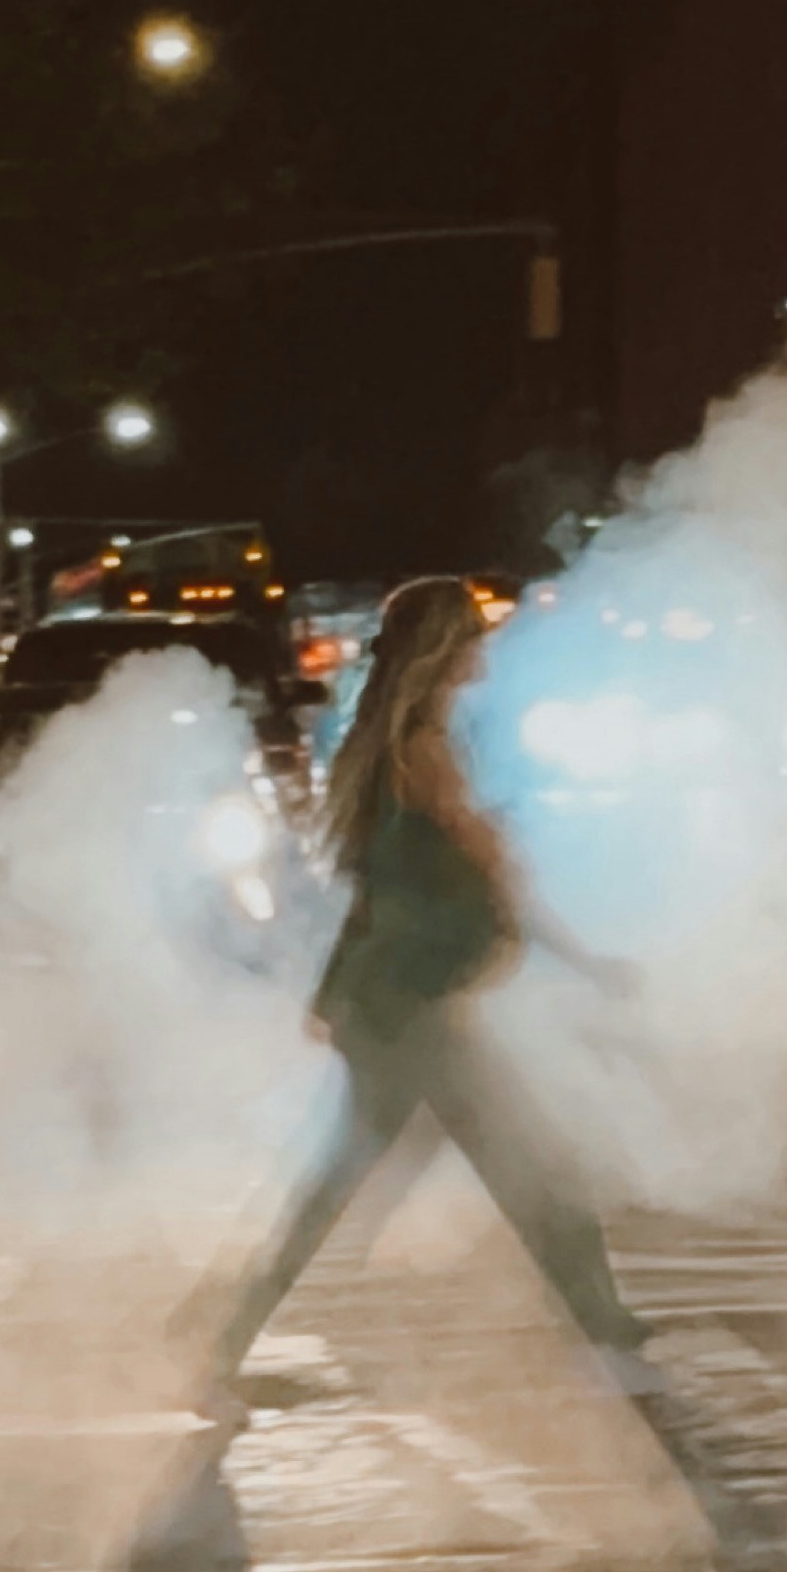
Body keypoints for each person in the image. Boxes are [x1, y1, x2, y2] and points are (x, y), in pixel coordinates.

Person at [177, 575, 652, 1427]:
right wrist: (584, 960)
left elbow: (381, 892)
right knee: (526, 1168)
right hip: (413, 1017)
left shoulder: (387, 742)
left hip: (396, 1008)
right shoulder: (426, 750)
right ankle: (604, 1339)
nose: (485, 649)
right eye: (474, 635)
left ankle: (604, 1328)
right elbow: (498, 881)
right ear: (443, 649)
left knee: (369, 1183)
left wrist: (338, 991)